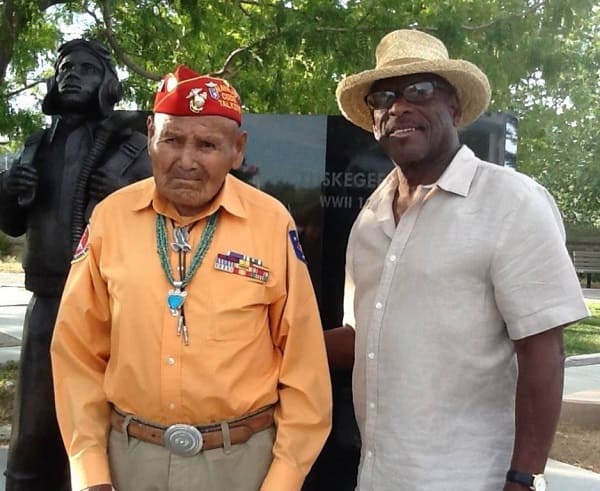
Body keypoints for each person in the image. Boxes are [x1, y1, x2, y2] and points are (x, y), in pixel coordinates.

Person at [326, 29, 590, 491]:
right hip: (378, 476)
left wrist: (524, 477)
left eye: (420, 90)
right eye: (383, 97)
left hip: (472, 478)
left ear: (455, 108)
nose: (399, 106)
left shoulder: (511, 201)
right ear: (373, 121)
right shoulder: (370, 218)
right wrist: (265, 347)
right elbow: (360, 336)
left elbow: (543, 351)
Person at [50, 65, 332, 491]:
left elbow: (304, 363)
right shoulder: (111, 218)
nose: (187, 161)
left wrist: (284, 479)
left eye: (207, 144)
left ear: (238, 150)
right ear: (150, 135)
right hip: (130, 460)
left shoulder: (271, 224)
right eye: (172, 140)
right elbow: (77, 354)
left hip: (242, 465)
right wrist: (91, 473)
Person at [0, 38, 151, 491]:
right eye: (65, 67)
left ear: (107, 83)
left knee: (100, 419)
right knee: (35, 417)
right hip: (48, 300)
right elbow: (12, 226)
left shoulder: (131, 146)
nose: (72, 74)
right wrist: (9, 189)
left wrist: (120, 187)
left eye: (86, 68)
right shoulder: (35, 145)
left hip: (112, 307)